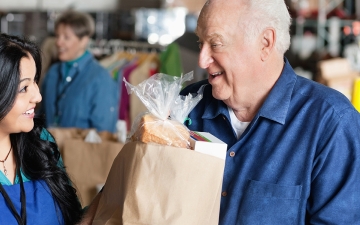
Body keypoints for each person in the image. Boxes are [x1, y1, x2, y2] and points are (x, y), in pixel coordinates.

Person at [180, 0, 360, 224]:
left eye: (216, 44)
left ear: (265, 43)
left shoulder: (332, 123)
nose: (202, 60)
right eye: (201, 43)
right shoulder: (185, 106)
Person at [0, 33, 82, 224]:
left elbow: (75, 218)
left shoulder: (41, 143)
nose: (38, 97)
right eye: (23, 88)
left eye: (35, 81)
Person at [40, 10, 119, 133]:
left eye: (66, 37)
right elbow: (40, 117)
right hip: (47, 151)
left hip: (80, 151)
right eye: (57, 36)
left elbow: (104, 132)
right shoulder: (52, 73)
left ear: (84, 40)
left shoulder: (101, 79)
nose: (58, 42)